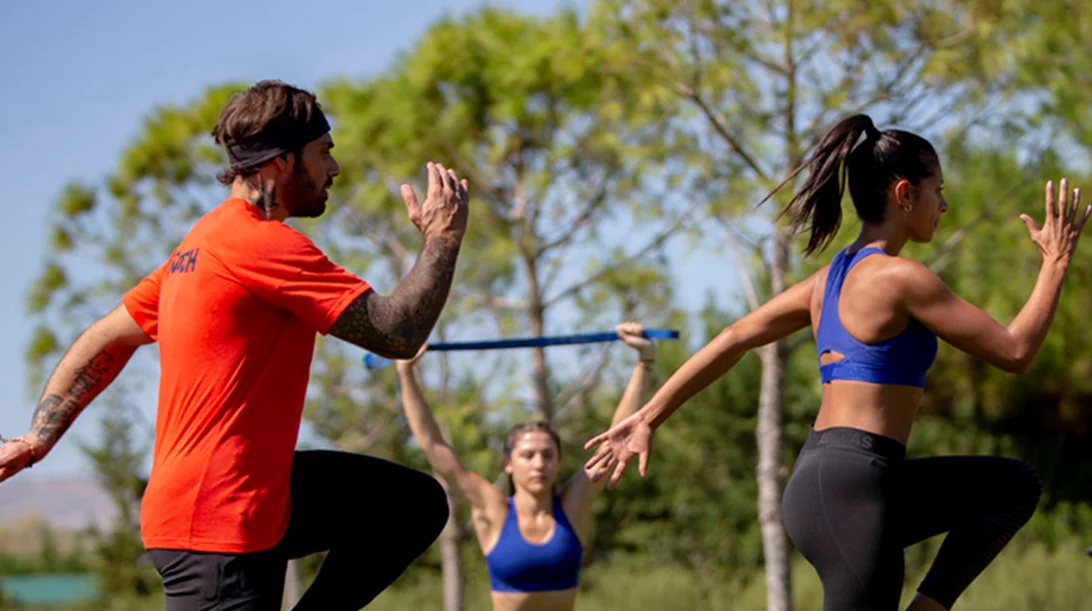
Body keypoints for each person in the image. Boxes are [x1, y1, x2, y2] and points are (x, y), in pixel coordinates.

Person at [584, 114, 1091, 611]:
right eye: (938, 189)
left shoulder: (829, 279)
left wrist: (650, 416)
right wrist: (1055, 264)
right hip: (853, 485)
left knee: (1011, 487)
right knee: (1010, 486)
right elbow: (1016, 352)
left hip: (849, 481)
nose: (945, 204)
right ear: (904, 194)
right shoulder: (900, 278)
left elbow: (734, 336)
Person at [0, 79, 471, 611]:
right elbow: (396, 331)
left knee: (408, 504)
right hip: (215, 527)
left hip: (246, 499)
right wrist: (443, 239)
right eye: (323, 154)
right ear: (280, 162)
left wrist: (37, 438)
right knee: (407, 506)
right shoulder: (260, 245)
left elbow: (104, 337)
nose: (333, 170)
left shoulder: (200, 246)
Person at [393, 322, 657, 611]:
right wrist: (406, 374)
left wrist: (644, 361)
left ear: (559, 462)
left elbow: (615, 440)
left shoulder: (572, 508)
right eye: (528, 455)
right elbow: (435, 448)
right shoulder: (493, 510)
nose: (539, 464)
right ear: (508, 464)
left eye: (547, 455)